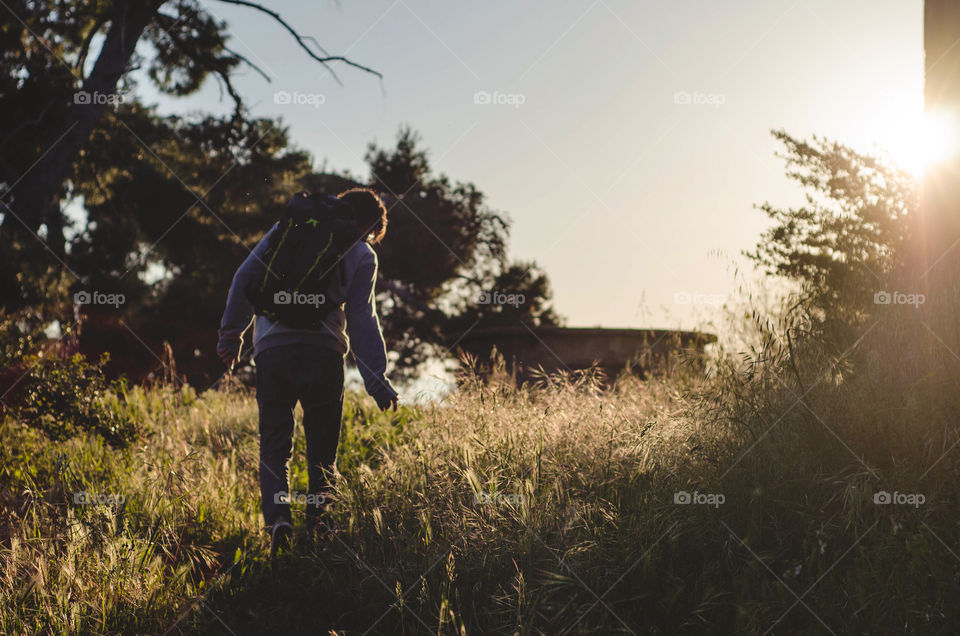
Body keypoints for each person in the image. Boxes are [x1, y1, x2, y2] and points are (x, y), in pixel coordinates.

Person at [217, 187, 398, 555]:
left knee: (275, 445)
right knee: (322, 449)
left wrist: (231, 335)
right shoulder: (362, 253)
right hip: (323, 352)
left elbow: (243, 275)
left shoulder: (291, 228)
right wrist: (377, 381)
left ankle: (278, 521)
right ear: (368, 227)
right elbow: (363, 317)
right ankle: (319, 529)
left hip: (272, 350)